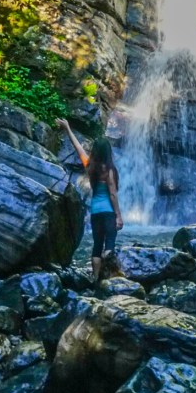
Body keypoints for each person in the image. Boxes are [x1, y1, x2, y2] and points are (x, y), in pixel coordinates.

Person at [55, 118, 123, 281]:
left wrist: (68, 128)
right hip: (108, 212)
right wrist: (118, 216)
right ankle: (111, 273)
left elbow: (78, 148)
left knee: (97, 246)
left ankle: (95, 277)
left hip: (95, 212)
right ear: (108, 152)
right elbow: (112, 194)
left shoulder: (90, 166)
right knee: (109, 244)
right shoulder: (110, 170)